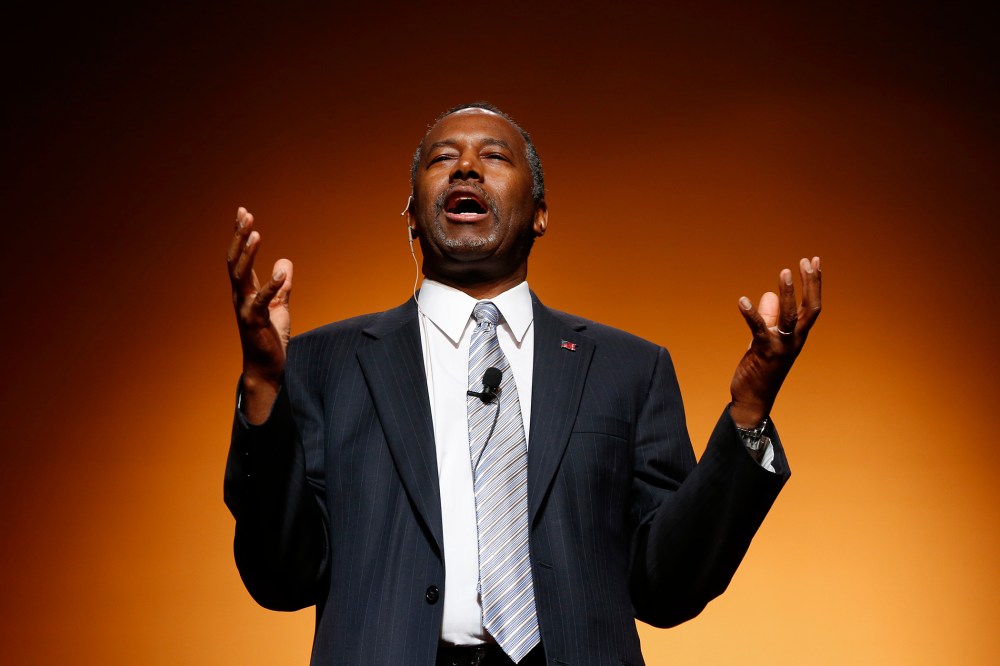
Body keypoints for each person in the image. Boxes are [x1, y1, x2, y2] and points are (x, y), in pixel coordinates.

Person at [224, 102, 822, 666]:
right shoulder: (324, 363)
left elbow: (667, 586)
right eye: (441, 158)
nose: (465, 167)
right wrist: (262, 382)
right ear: (410, 214)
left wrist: (749, 410)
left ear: (540, 213)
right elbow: (280, 577)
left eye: (494, 156)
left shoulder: (628, 370)